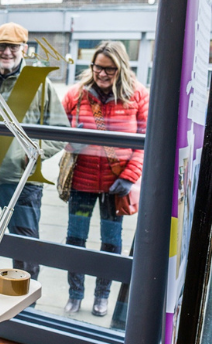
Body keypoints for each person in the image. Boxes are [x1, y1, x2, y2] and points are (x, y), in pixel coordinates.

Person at [0, 22, 69, 280]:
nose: (7, 52)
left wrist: (33, 153)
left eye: (13, 47)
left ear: (24, 48)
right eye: (2, 46)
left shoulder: (39, 84)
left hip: (22, 180)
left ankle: (26, 307)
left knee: (25, 249)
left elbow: (60, 131)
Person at [61, 41, 148, 316]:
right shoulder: (76, 94)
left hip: (116, 185)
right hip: (82, 184)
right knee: (76, 239)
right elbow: (58, 131)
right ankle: (75, 294)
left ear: (121, 68)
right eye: (98, 67)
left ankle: (102, 296)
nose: (102, 74)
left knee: (111, 243)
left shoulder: (137, 96)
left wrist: (130, 175)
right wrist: (72, 140)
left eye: (109, 69)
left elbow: (147, 142)